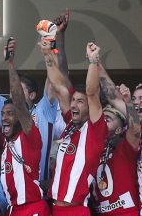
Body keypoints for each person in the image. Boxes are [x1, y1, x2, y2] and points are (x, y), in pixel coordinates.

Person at [41, 41, 108, 215]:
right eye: (73, 100)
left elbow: (92, 93)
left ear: (90, 107)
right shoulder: (70, 124)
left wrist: (93, 61)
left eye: (80, 101)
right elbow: (57, 86)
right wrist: (47, 54)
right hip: (54, 208)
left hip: (76, 210)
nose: (73, 105)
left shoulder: (95, 131)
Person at [0, 38, 50, 215]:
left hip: (32, 208)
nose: (5, 118)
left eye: (10, 114)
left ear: (21, 118)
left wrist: (11, 64)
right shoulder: (7, 142)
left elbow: (19, 102)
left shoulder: (30, 136)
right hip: (13, 210)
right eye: (3, 114)